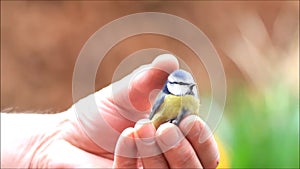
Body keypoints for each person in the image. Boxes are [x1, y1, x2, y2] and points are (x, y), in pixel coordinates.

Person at [1, 54, 220, 168]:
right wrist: (40, 151)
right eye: (181, 87)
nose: (187, 91)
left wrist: (44, 150)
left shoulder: (192, 99)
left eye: (189, 88)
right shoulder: (167, 97)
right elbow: (155, 117)